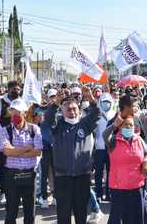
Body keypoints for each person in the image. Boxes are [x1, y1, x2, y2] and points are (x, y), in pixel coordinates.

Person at [44, 87, 100, 224]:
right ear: (62, 112)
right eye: (68, 109)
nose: (72, 112)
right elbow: (49, 118)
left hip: (82, 177)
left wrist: (92, 99)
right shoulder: (58, 125)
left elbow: (96, 114)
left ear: (79, 110)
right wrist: (56, 103)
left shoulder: (85, 123)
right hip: (63, 177)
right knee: (63, 215)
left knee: (81, 213)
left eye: (75, 109)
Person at [0, 99, 42, 224]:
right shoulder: (5, 130)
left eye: (16, 113)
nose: (13, 116)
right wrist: (27, 148)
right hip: (11, 176)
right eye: (11, 113)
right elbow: (7, 152)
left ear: (23, 113)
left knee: (30, 212)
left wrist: (15, 151)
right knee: (11, 212)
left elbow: (37, 152)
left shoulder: (34, 129)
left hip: (29, 175)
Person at [103, 113, 147, 224]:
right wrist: (113, 125)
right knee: (117, 217)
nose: (129, 127)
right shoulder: (113, 141)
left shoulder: (138, 139)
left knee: (137, 218)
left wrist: (146, 162)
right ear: (119, 127)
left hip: (137, 186)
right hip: (119, 187)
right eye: (125, 125)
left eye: (131, 125)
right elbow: (104, 135)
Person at [93, 92, 115, 202]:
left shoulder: (114, 114)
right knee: (98, 173)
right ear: (100, 103)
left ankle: (109, 192)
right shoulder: (96, 115)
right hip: (99, 148)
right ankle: (98, 193)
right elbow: (93, 132)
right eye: (104, 102)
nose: (106, 104)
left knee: (111, 172)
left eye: (108, 102)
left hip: (111, 148)